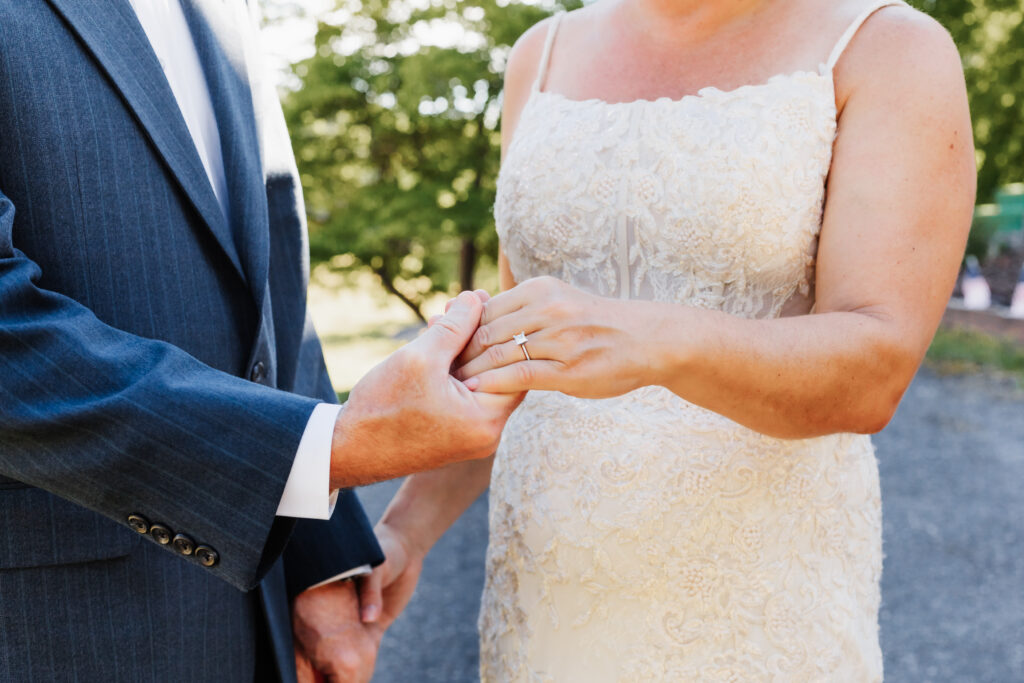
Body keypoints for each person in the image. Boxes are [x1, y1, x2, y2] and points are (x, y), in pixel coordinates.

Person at [358, 0, 975, 680]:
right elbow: (514, 353)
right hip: (547, 614)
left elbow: (873, 372)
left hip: (757, 616)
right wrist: (404, 531)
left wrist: (656, 339)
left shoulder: (886, 47)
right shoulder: (542, 53)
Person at [0, 1, 518, 681]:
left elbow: (271, 291)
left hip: (256, 616)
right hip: (64, 630)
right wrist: (335, 446)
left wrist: (319, 562)